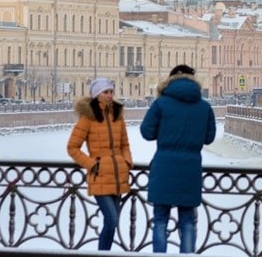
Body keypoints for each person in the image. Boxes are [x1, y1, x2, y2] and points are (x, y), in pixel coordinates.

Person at [141, 65, 217, 254]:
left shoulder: (161, 103)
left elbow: (146, 132)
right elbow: (209, 137)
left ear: (170, 80)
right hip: (190, 171)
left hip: (164, 169)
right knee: (188, 222)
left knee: (160, 221)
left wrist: (165, 131)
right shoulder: (205, 107)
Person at [66, 78, 133, 251]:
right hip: (100, 176)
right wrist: (92, 164)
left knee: (112, 223)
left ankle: (105, 252)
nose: (110, 95)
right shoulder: (88, 117)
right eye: (105, 92)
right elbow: (73, 147)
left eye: (111, 92)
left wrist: (127, 161)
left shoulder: (117, 115)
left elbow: (125, 144)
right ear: (97, 95)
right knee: (112, 220)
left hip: (119, 176)